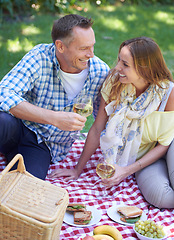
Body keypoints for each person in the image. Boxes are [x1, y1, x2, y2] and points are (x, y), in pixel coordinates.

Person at [51, 36, 174, 209]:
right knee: (164, 199)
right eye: (119, 61)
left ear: (144, 69)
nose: (117, 68)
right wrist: (77, 169)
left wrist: (125, 171)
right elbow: (97, 128)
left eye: (125, 64)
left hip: (168, 146)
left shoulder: (167, 93)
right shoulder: (115, 82)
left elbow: (164, 144)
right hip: (148, 158)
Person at [0, 14, 110, 180]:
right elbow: (4, 93)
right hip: (17, 126)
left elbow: (100, 125)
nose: (91, 54)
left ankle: (14, 162)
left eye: (92, 46)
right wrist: (54, 118)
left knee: (27, 186)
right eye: (83, 48)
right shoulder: (40, 57)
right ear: (60, 46)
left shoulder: (100, 72)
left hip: (44, 145)